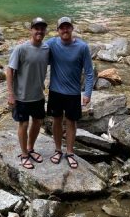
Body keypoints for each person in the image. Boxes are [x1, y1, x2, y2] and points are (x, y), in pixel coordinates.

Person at [46, 16, 94, 169]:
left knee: (72, 122)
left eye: (67, 27)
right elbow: (36, 49)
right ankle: (58, 150)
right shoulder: (52, 44)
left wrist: (87, 93)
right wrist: (23, 46)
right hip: (55, 91)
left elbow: (89, 72)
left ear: (72, 28)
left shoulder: (82, 47)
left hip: (73, 93)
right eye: (62, 27)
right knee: (57, 121)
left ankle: (70, 152)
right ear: (58, 30)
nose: (65, 30)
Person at [6, 17, 50, 169]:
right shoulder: (21, 49)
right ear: (31, 30)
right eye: (36, 28)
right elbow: (10, 70)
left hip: (38, 95)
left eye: (42, 28)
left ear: (45, 31)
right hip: (21, 96)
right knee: (23, 124)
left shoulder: (46, 49)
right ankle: (24, 154)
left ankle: (31, 148)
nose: (39, 31)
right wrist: (10, 94)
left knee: (37, 122)